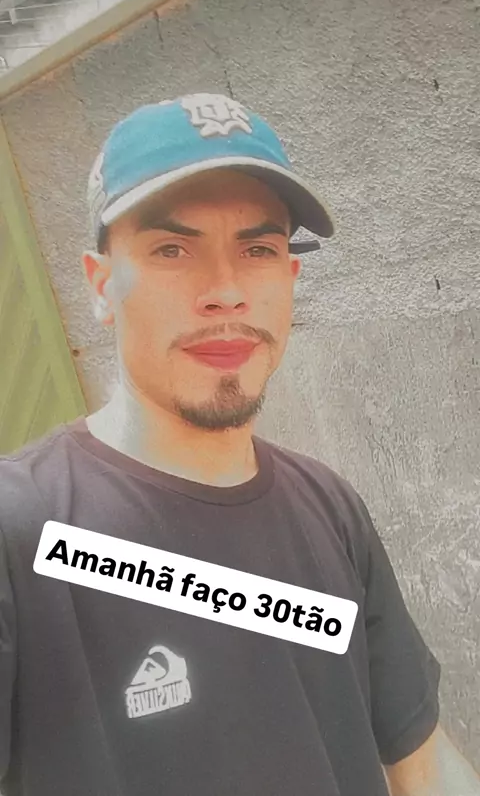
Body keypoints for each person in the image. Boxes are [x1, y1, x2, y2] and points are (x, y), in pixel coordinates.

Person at [0, 92, 478, 796]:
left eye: (257, 250)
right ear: (101, 287)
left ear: (290, 278)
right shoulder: (21, 532)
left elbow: (423, 764)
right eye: (172, 249)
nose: (225, 292)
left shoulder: (329, 508)